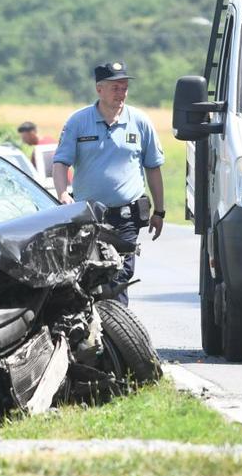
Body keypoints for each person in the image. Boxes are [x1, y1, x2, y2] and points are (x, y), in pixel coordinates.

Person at [52, 60, 165, 305]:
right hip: (89, 217)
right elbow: (60, 163)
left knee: (120, 274)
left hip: (126, 217)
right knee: (89, 273)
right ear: (99, 89)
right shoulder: (78, 122)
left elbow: (153, 167)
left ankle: (116, 324)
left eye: (124, 88)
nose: (121, 93)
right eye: (115, 88)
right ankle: (93, 322)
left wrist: (160, 211)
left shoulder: (140, 121)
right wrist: (63, 194)